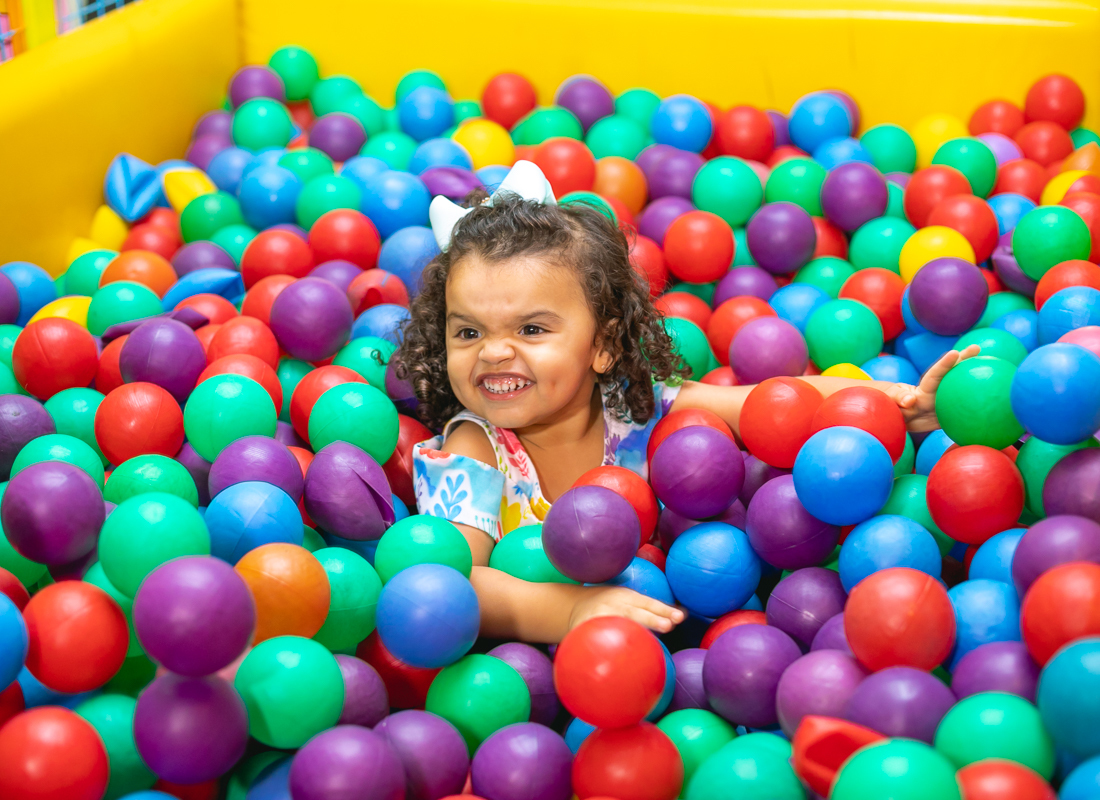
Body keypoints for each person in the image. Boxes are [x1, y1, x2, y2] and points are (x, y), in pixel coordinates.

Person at [401, 161, 977, 644]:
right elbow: (455, 582)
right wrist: (572, 613)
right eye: (468, 333)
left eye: (530, 330)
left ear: (601, 345)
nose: (494, 354)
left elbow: (774, 405)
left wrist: (894, 402)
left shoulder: (636, 409)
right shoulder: (475, 446)